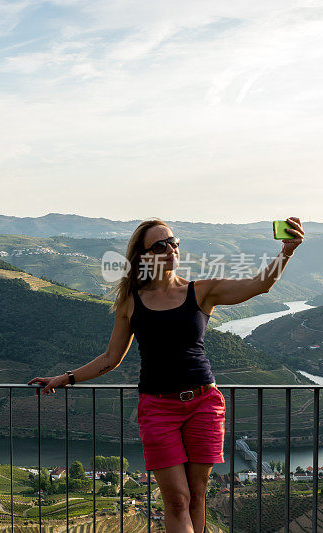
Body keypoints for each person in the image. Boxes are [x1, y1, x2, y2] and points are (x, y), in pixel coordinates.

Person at [27, 216, 305, 533]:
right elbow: (110, 357)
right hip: (157, 409)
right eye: (160, 245)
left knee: (197, 497)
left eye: (173, 242)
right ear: (144, 256)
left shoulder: (201, 291)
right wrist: (65, 378)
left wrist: (287, 252)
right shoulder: (131, 302)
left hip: (204, 404)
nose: (170, 248)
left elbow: (260, 284)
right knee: (176, 499)